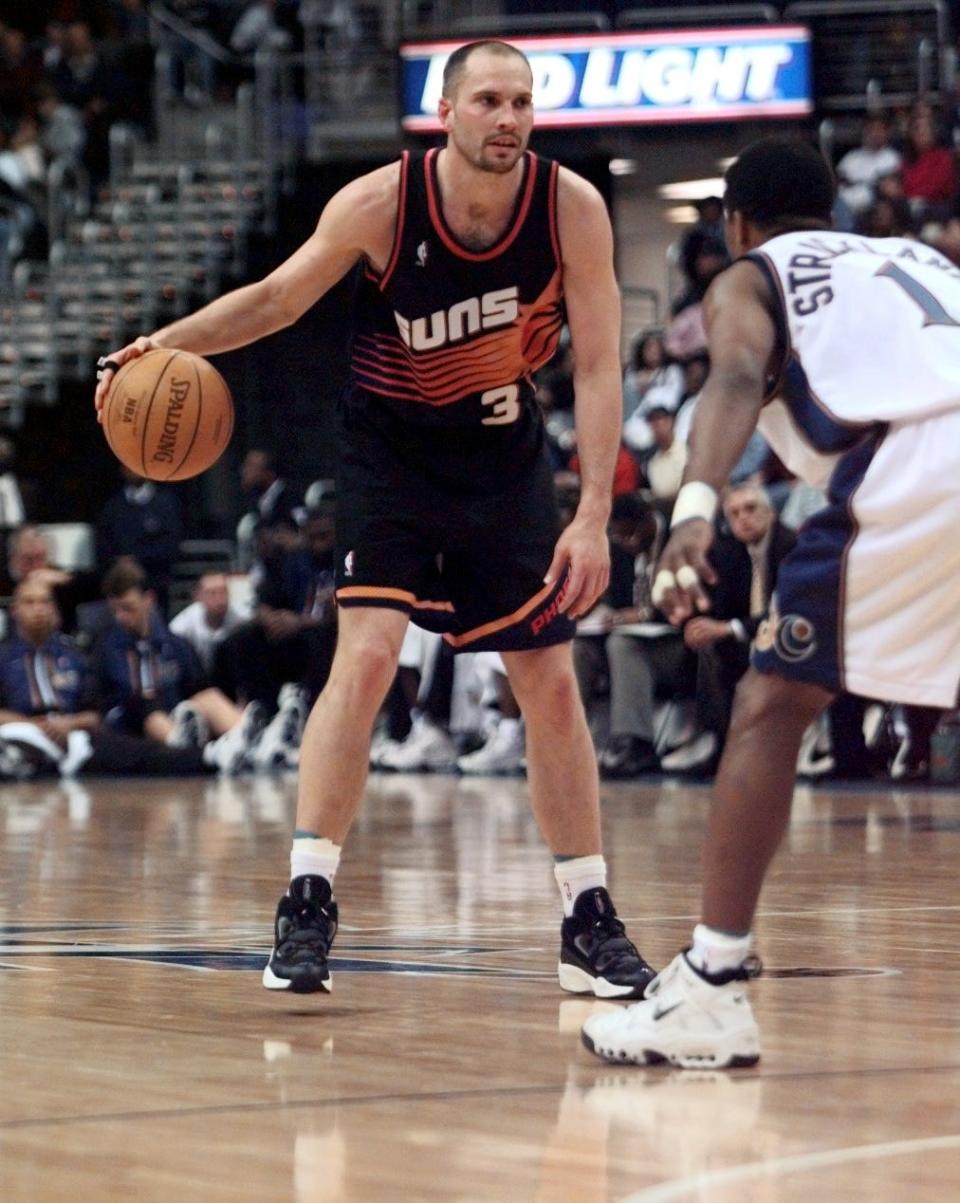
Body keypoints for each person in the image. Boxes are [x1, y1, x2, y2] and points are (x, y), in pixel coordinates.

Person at [95, 40, 654, 999]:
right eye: (489, 100)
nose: (510, 118)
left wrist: (593, 511)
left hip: (503, 458)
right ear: (447, 112)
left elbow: (599, 369)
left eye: (523, 101)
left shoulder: (572, 209)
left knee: (551, 684)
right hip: (389, 454)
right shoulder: (380, 203)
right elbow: (274, 301)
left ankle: (587, 917)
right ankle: (307, 901)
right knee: (365, 656)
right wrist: (165, 344)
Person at [582, 136, 960, 1069]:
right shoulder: (917, 255)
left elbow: (739, 379)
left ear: (734, 223)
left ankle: (711, 983)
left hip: (913, 464)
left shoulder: (752, 276)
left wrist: (695, 506)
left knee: (772, 703)